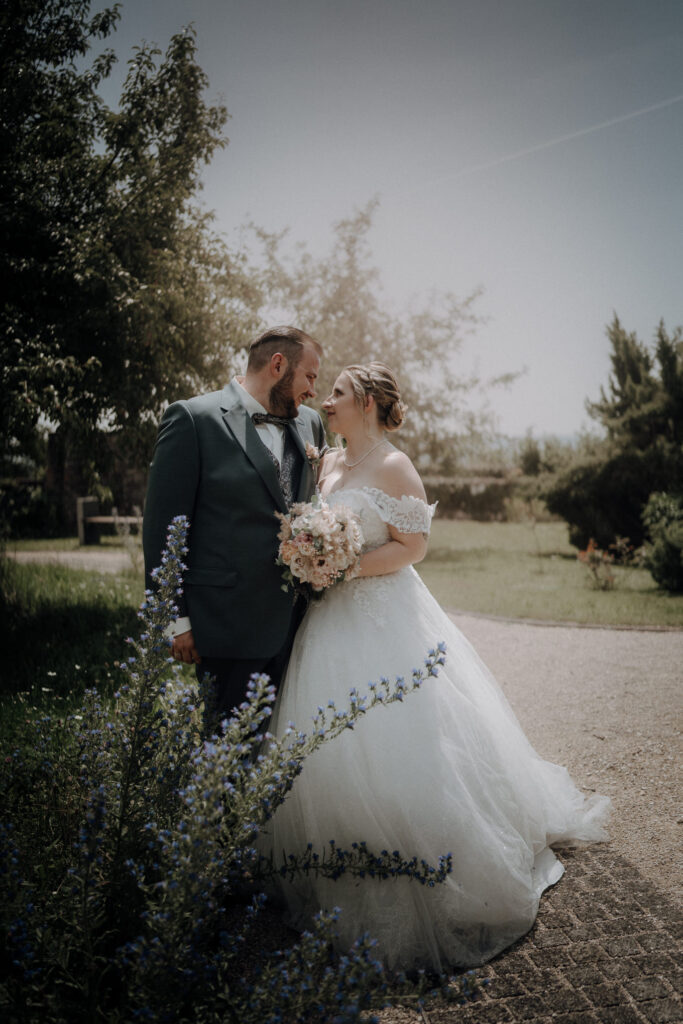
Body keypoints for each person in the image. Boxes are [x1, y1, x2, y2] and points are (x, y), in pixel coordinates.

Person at [267, 361, 611, 971]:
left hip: (384, 615)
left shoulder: (395, 466)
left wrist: (342, 564)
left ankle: (424, 862)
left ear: (368, 402)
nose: (329, 401)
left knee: (406, 741)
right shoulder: (328, 463)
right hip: (328, 622)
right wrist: (311, 556)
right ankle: (337, 870)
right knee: (329, 742)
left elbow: (413, 547)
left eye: (340, 393)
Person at [142, 326, 327, 716]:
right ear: (278, 365)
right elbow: (163, 529)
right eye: (309, 376)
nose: (314, 391)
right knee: (226, 753)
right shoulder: (194, 419)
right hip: (226, 624)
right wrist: (174, 619)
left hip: (304, 627)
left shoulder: (310, 424)